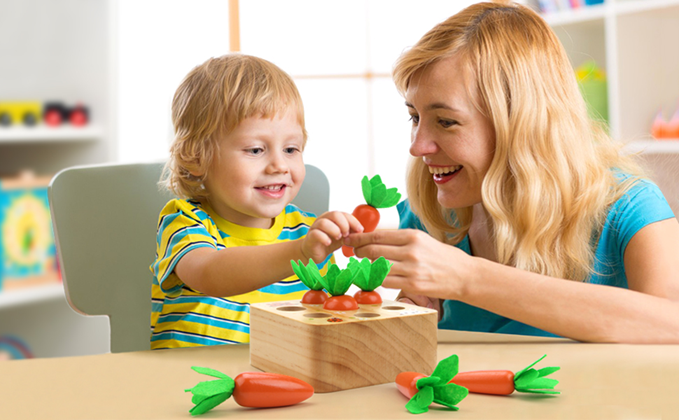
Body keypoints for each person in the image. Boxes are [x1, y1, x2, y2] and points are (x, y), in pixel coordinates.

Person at [345, 1, 679, 343]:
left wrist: (467, 278)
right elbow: (420, 332)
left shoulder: (628, 207)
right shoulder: (432, 211)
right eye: (415, 117)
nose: (418, 146)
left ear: (521, 124)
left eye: (445, 121)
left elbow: (672, 322)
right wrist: (405, 312)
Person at [150, 54, 362, 349]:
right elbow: (210, 273)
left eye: (291, 149)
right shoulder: (185, 221)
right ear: (196, 158)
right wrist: (300, 252)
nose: (279, 165)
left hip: (281, 372)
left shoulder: (307, 231)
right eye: (255, 150)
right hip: (191, 374)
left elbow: (326, 322)